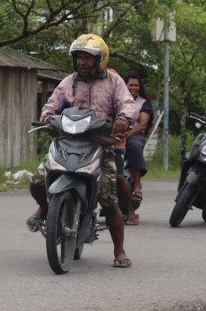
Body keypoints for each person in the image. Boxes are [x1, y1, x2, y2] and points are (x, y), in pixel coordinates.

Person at [25, 34, 136, 268]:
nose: (82, 62)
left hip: (100, 145)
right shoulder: (69, 81)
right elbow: (52, 104)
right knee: (37, 182)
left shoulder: (114, 81)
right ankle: (45, 206)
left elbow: (127, 103)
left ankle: (119, 250)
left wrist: (123, 119)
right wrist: (46, 118)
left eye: (88, 58)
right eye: (79, 57)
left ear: (100, 59)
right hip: (66, 142)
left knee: (108, 199)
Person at [117, 71, 153, 226]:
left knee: (135, 145)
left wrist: (128, 133)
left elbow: (143, 124)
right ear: (124, 86)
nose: (133, 87)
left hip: (134, 135)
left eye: (136, 85)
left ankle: (136, 184)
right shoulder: (116, 99)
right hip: (114, 134)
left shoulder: (143, 103)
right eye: (130, 85)